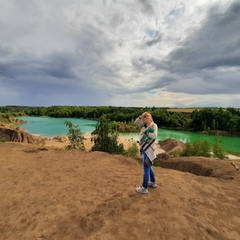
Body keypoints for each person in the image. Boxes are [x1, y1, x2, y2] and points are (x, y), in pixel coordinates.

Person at [134, 112, 158, 194]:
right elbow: (136, 122)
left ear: (151, 118)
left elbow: (154, 136)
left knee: (146, 168)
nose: (146, 117)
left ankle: (144, 187)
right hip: (144, 149)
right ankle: (153, 182)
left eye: (148, 116)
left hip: (149, 151)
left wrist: (145, 132)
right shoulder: (143, 126)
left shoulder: (154, 125)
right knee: (149, 166)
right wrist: (141, 116)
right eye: (145, 116)